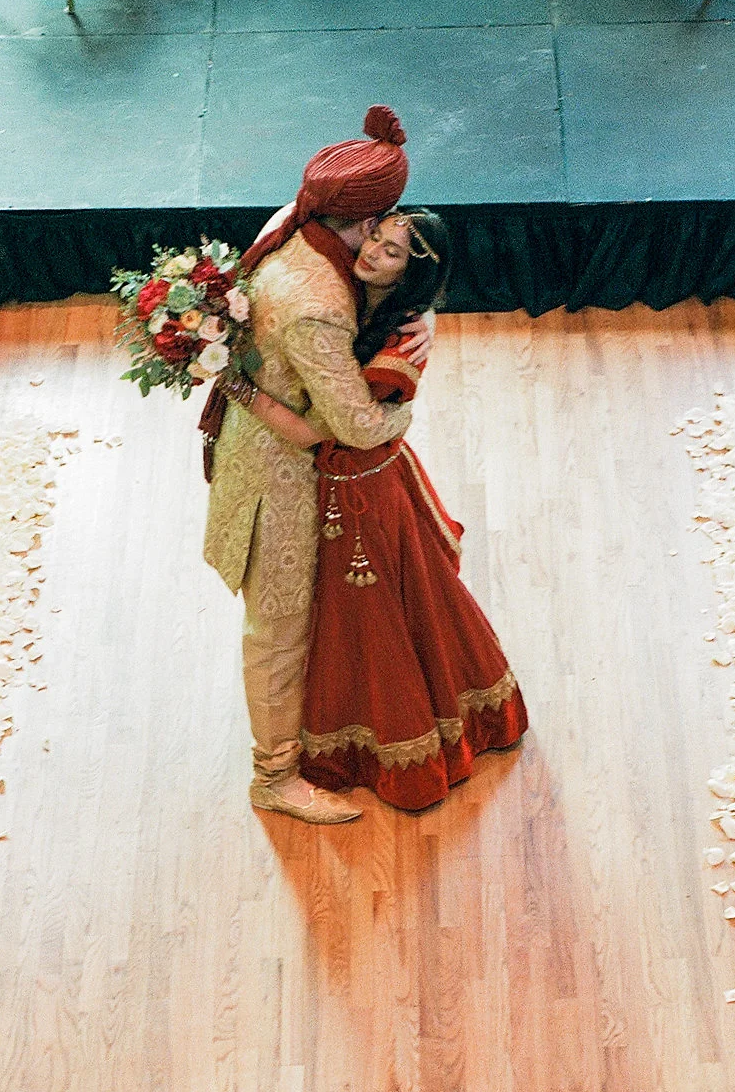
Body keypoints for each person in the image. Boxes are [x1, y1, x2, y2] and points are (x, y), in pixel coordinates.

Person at [224, 210, 528, 812]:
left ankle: (396, 747)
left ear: (412, 274)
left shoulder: (396, 339)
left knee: (382, 617)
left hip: (363, 492)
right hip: (349, 482)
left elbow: (329, 433)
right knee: (362, 615)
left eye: (392, 253)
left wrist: (235, 386)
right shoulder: (354, 293)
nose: (374, 252)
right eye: (378, 236)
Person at [200, 105, 425, 826]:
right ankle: (273, 779)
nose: (390, 230)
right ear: (364, 217)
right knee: (278, 630)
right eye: (385, 217)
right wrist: (406, 409)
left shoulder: (289, 227)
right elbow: (356, 425)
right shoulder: (319, 304)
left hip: (257, 441)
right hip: (280, 482)